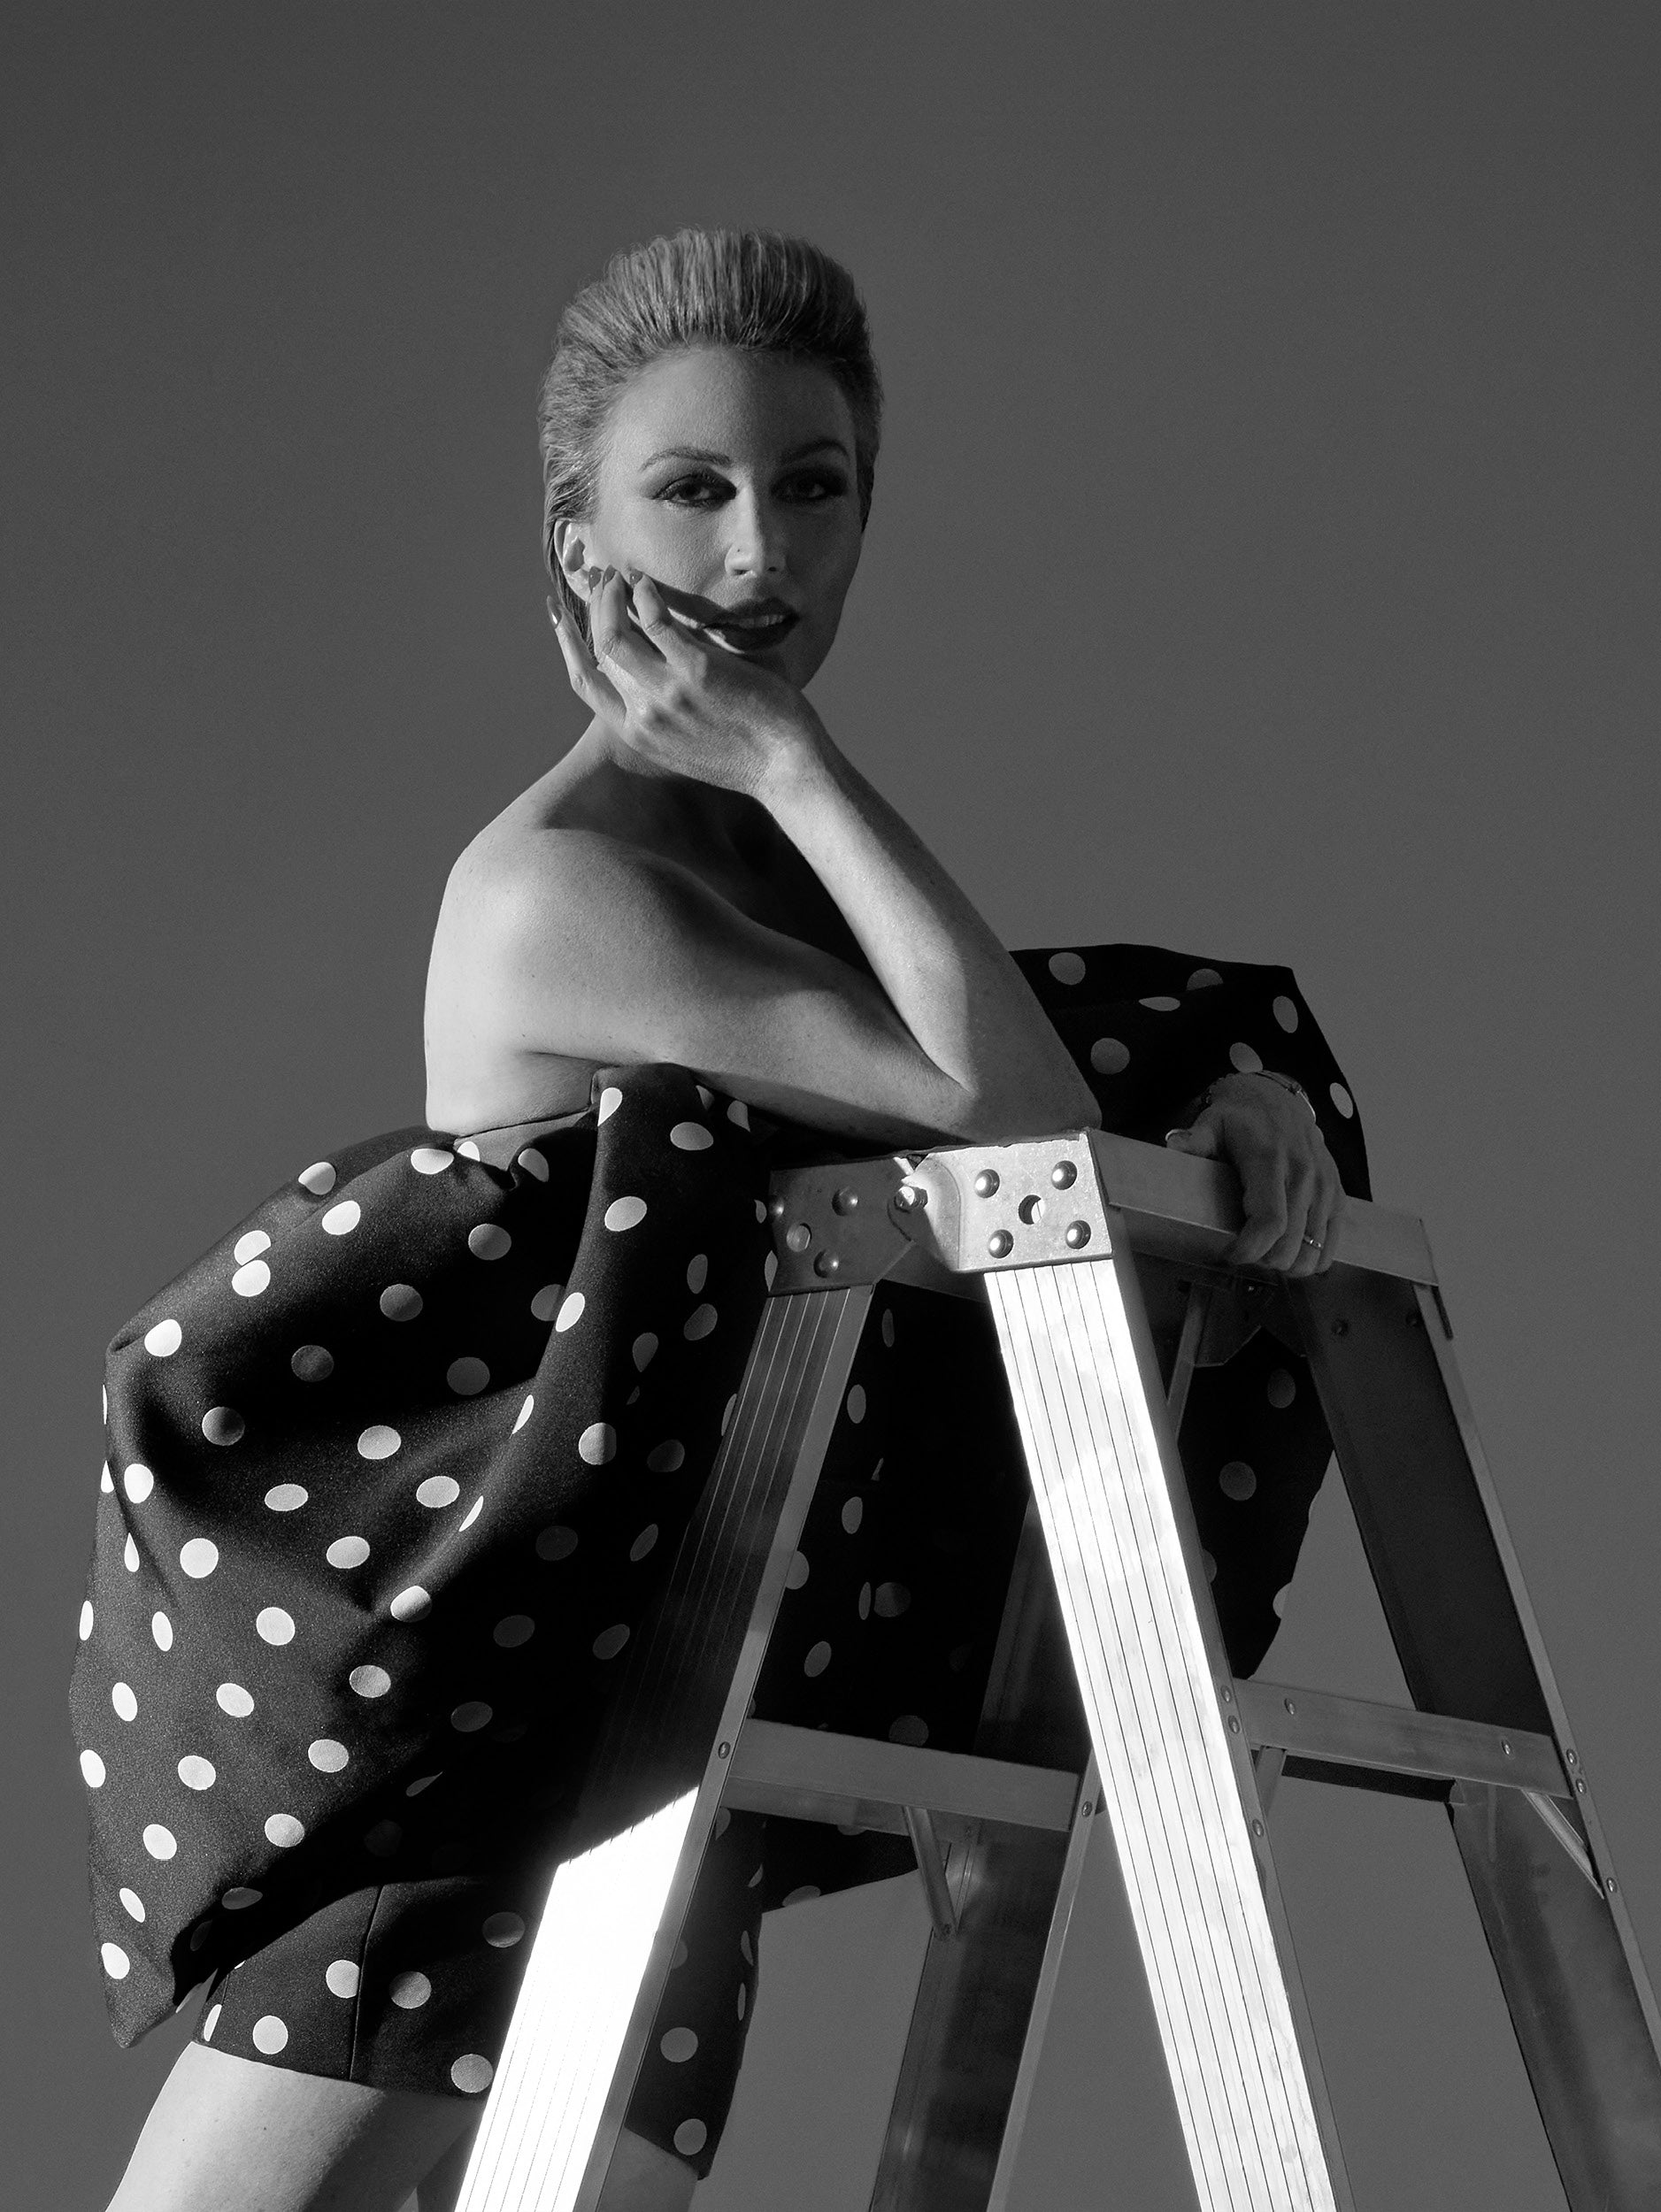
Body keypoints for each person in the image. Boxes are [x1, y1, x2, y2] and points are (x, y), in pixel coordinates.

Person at [82, 230, 1354, 2212]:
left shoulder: (781, 875)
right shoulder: (560, 890)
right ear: (576, 540)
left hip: (649, 1807)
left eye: (816, 484)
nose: (761, 556)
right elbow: (1018, 1130)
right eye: (692, 491)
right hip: (465, 1818)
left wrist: (1234, 1106)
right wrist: (799, 761)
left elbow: (1032, 1112)